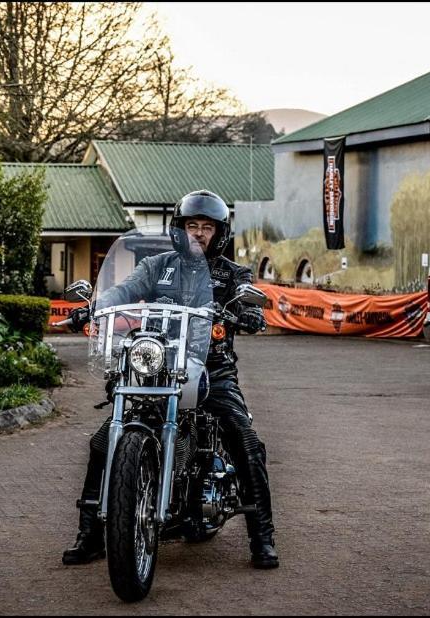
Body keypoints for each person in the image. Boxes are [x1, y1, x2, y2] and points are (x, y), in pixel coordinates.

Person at [61, 190, 280, 569]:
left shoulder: (232, 274)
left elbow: (247, 305)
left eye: (206, 227)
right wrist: (94, 308)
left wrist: (248, 315)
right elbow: (123, 292)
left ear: (220, 232)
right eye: (191, 226)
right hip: (158, 365)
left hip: (212, 369)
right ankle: (91, 535)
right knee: (101, 443)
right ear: (178, 229)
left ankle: (262, 538)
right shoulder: (156, 265)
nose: (198, 234)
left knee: (244, 438)